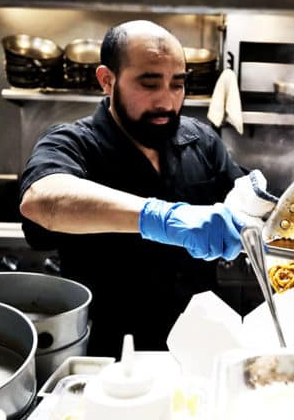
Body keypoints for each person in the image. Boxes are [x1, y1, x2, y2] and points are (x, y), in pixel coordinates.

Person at [19, 20, 248, 356]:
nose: (167, 102)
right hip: (112, 359)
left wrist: (255, 205)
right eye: (149, 83)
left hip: (200, 352)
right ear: (107, 80)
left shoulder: (200, 140)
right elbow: (42, 200)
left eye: (177, 85)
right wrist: (159, 217)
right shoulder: (74, 143)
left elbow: (243, 206)